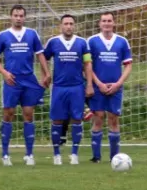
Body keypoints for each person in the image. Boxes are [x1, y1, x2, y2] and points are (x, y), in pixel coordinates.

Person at [0, 5, 50, 166]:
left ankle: (29, 154)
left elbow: (40, 54)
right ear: (11, 17)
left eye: (21, 15)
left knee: (28, 114)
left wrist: (46, 72)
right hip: (12, 80)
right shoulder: (3, 35)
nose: (18, 18)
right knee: (8, 113)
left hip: (29, 79)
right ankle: (5, 154)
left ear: (25, 17)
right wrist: (4, 73)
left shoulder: (32, 34)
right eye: (16, 15)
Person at [43, 14, 94, 165]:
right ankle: (56, 154)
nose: (69, 26)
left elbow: (88, 64)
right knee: (57, 120)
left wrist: (89, 84)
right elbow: (43, 58)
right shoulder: (53, 42)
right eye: (66, 23)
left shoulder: (82, 43)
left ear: (74, 26)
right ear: (61, 26)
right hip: (59, 87)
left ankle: (74, 154)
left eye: (71, 23)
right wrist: (46, 75)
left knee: (77, 119)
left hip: (77, 87)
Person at [87, 11, 133, 163]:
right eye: (104, 21)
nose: (106, 23)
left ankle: (115, 157)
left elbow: (128, 66)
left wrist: (118, 84)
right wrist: (98, 83)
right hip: (97, 87)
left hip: (115, 87)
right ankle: (96, 157)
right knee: (98, 118)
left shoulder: (122, 41)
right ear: (99, 23)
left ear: (113, 23)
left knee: (113, 120)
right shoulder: (92, 41)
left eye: (109, 20)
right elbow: (87, 66)